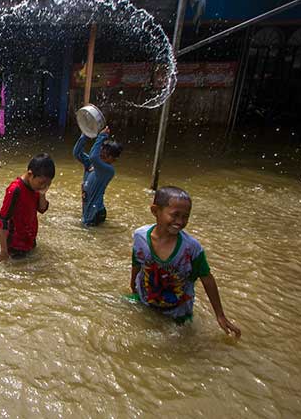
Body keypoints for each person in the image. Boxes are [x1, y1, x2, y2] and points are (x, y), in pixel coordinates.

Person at [130, 186, 241, 337]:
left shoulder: (191, 249)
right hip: (146, 300)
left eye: (185, 216)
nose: (180, 221)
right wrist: (132, 285)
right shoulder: (140, 236)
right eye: (175, 215)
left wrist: (220, 315)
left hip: (177, 312)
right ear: (155, 211)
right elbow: (137, 261)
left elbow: (207, 278)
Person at [0, 153, 55, 262]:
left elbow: (42, 209)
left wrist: (42, 193)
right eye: (42, 183)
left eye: (48, 184)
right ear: (30, 174)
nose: (44, 186)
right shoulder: (15, 190)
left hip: (30, 241)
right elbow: (3, 220)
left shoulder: (36, 188)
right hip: (14, 247)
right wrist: (4, 251)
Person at [73, 126, 122, 227]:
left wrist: (101, 136)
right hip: (90, 208)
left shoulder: (107, 170)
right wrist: (85, 134)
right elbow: (77, 153)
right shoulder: (92, 164)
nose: (102, 155)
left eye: (106, 155)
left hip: (96, 212)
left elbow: (93, 156)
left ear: (114, 160)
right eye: (102, 152)